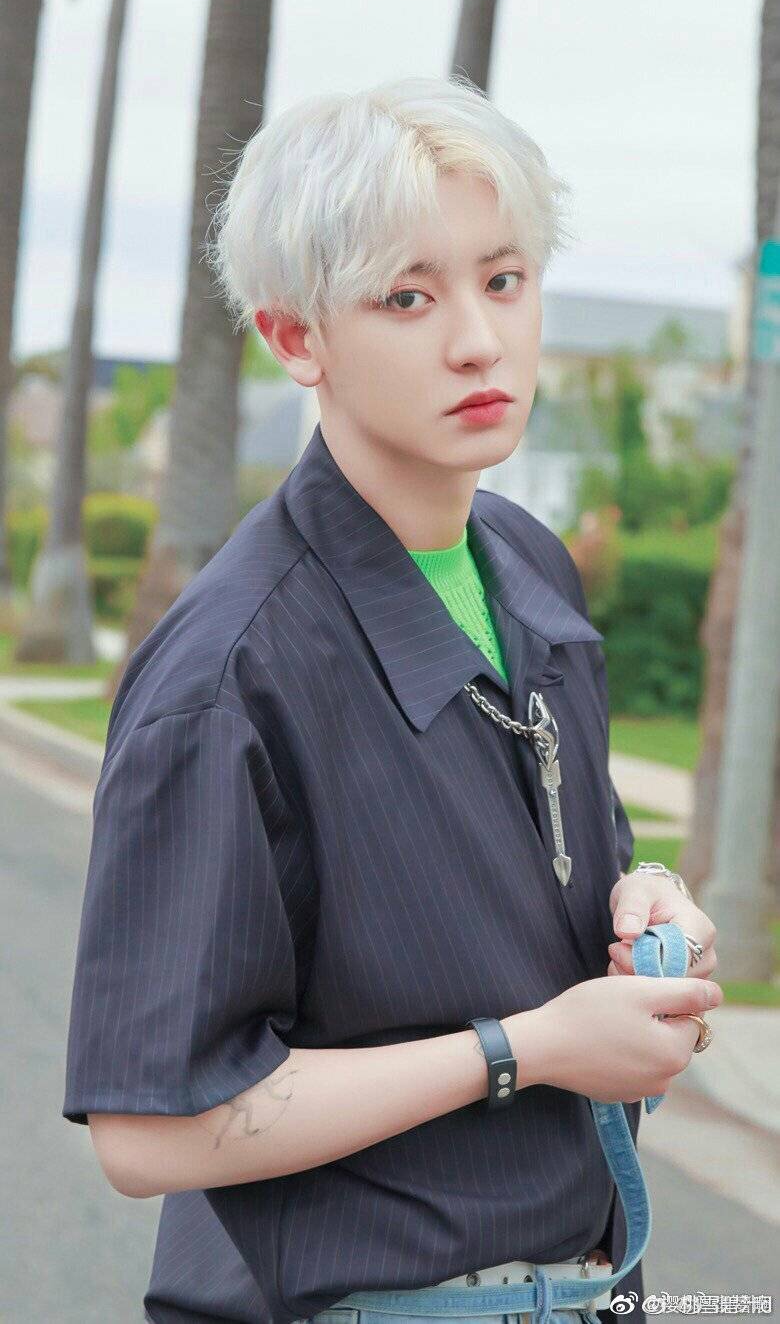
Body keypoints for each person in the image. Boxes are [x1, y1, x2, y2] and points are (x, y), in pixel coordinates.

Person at [62, 74, 721, 1324]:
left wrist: (652, 906)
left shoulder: (527, 563)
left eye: (505, 279)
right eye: (407, 297)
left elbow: (561, 879)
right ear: (294, 338)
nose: (477, 338)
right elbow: (149, 1131)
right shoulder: (227, 674)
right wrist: (526, 1049)